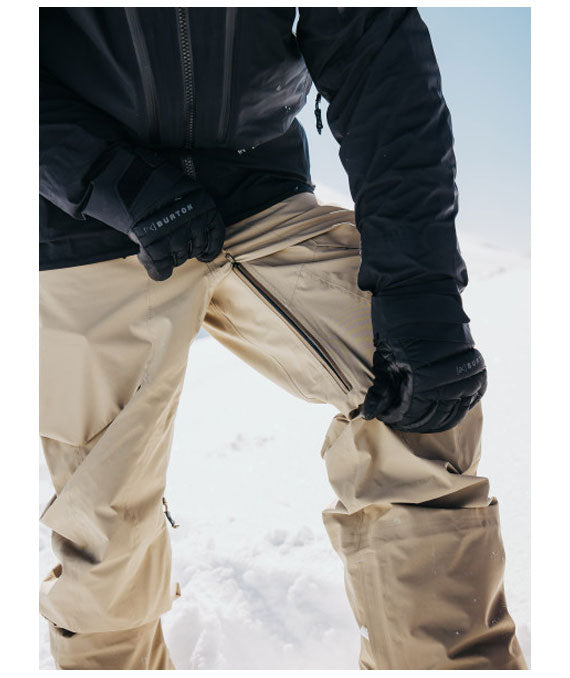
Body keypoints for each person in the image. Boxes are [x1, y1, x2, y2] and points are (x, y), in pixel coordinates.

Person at [39, 7, 527, 670]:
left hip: (256, 191)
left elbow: (373, 48)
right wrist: (113, 180)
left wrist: (419, 286)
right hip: (89, 219)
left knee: (418, 397)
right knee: (101, 523)